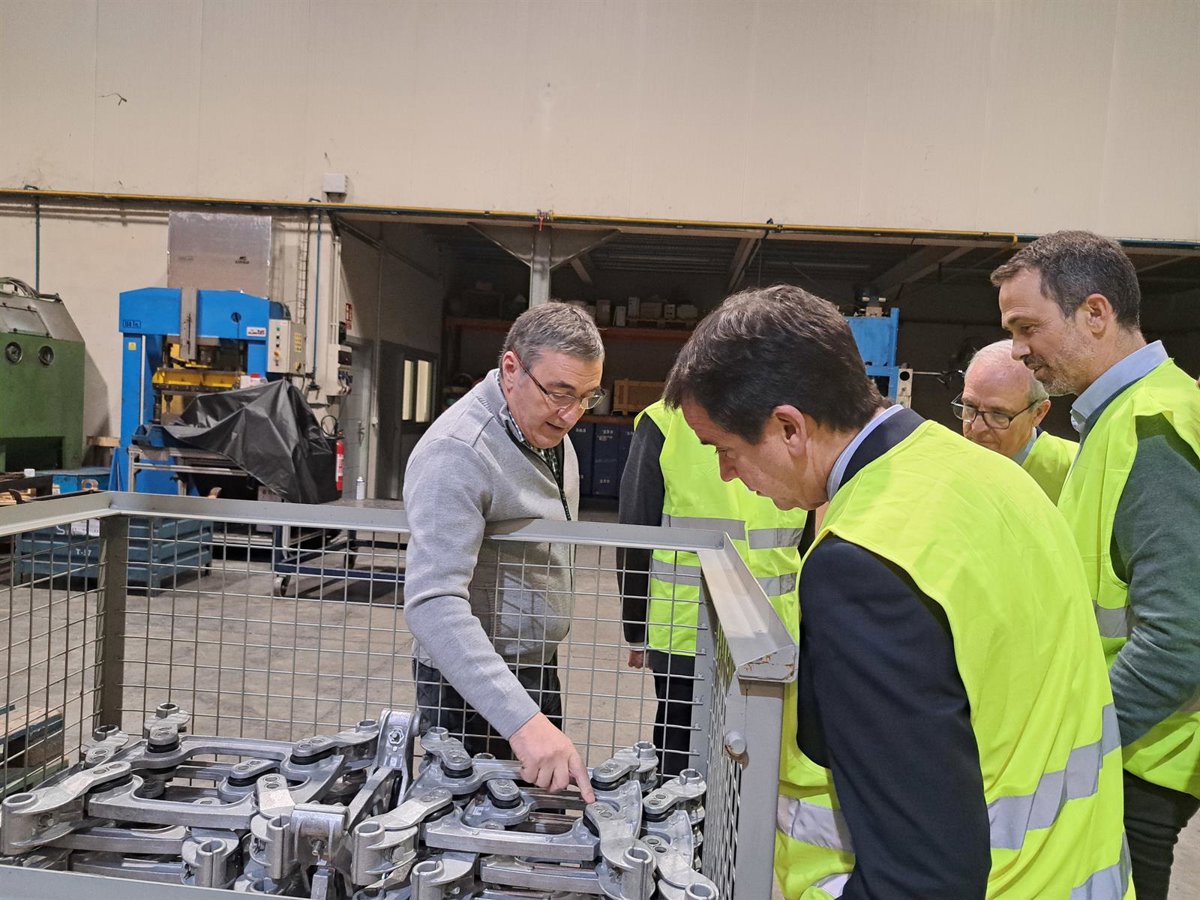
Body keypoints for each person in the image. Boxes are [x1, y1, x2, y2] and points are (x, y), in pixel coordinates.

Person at [665, 285, 1128, 899]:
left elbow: (920, 877)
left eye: (726, 449)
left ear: (789, 427)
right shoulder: (991, 475)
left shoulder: (864, 561)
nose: (726, 472)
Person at [993, 229, 1200, 900]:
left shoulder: (1151, 426)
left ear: (1095, 313)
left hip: (1143, 755)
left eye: (1028, 328)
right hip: (1130, 745)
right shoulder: (1120, 418)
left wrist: (1080, 736)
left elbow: (1179, 640)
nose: (1018, 349)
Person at [403, 302, 605, 803]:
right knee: (467, 828)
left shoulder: (547, 430)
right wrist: (521, 720)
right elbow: (433, 603)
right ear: (511, 368)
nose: (572, 414)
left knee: (533, 817)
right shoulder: (459, 451)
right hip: (471, 688)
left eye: (587, 397)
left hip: (532, 666)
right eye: (560, 393)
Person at [617, 398, 809, 776]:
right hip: (773, 628)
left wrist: (636, 631)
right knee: (757, 760)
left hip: (686, 628)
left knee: (681, 756)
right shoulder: (792, 420)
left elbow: (635, 535)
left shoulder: (666, 422)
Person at [954, 339, 1078, 501]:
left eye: (998, 414)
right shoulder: (945, 464)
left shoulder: (1078, 471)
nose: (976, 428)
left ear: (1038, 413)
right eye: (970, 407)